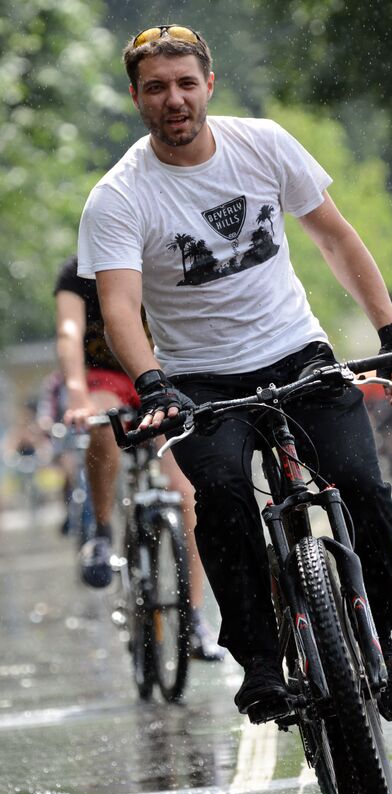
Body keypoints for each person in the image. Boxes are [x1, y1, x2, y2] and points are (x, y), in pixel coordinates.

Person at [76, 24, 392, 724]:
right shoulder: (119, 196)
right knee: (227, 500)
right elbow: (119, 308)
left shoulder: (262, 143)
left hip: (297, 351)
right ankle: (261, 663)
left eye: (185, 83)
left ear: (208, 84)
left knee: (360, 484)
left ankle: (386, 642)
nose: (173, 99)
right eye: (156, 88)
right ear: (136, 98)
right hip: (200, 381)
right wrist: (152, 383)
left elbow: (333, 236)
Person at [54, 254, 223, 661]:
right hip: (105, 379)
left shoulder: (162, 257)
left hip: (160, 375)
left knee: (187, 497)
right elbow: (69, 331)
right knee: (101, 420)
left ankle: (195, 617)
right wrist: (76, 393)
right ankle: (101, 528)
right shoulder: (77, 274)